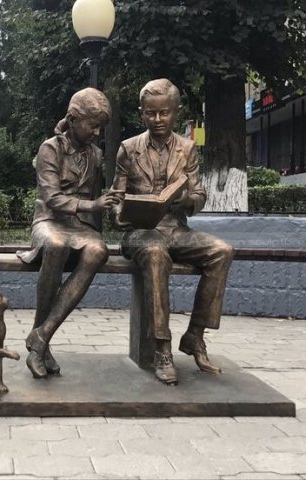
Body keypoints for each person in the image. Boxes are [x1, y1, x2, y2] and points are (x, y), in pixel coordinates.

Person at [110, 79, 234, 385]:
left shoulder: (188, 149)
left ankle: (194, 335)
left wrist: (184, 200)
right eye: (151, 113)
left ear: (175, 112)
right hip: (140, 233)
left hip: (176, 229)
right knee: (155, 254)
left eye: (164, 113)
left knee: (222, 250)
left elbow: (200, 196)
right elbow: (115, 199)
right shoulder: (128, 150)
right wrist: (120, 215)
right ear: (142, 114)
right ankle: (162, 348)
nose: (157, 119)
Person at [18, 88, 119, 379]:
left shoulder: (96, 154)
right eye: (93, 125)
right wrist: (92, 204)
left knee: (99, 251)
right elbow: (51, 197)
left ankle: (41, 336)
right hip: (49, 222)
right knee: (57, 245)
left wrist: (117, 210)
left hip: (80, 227)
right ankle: (41, 344)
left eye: (101, 126)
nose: (97, 132)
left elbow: (98, 198)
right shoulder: (51, 148)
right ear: (74, 119)